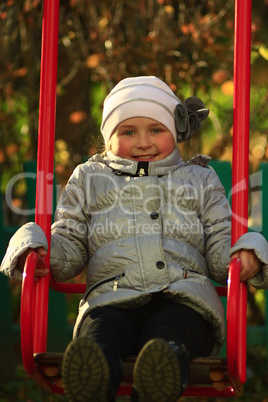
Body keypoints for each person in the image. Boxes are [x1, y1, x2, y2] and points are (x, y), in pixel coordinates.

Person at [1, 76, 268, 402]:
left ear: (175, 131)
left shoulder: (199, 179)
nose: (143, 142)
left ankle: (163, 367)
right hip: (109, 298)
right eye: (128, 132)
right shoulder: (89, 178)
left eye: (156, 130)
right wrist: (40, 251)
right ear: (108, 139)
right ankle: (93, 369)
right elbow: (69, 240)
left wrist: (247, 253)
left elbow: (219, 242)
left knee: (172, 332)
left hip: (184, 298)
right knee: (101, 335)